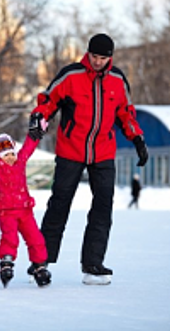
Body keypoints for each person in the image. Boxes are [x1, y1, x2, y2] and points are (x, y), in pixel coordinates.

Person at [28, 33, 148, 285]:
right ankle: (41, 262)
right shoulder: (71, 75)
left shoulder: (117, 80)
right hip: (71, 150)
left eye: (103, 58)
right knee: (59, 204)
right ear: (88, 53)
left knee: (103, 207)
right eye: (94, 56)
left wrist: (137, 139)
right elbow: (47, 101)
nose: (97, 61)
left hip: (103, 152)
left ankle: (93, 264)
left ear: (110, 58)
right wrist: (39, 118)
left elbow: (126, 113)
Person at [0, 125, 51, 288]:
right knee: (10, 237)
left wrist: (36, 134)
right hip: (6, 212)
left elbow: (28, 148)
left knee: (35, 238)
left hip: (25, 211)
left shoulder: (20, 163)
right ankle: (6, 262)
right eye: (5, 155)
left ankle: (39, 265)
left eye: (11, 154)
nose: (9, 158)